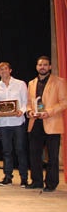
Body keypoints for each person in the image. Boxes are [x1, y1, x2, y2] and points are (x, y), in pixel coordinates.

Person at [26, 56, 67, 192]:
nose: (42, 67)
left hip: (52, 123)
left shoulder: (59, 82)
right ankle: (37, 181)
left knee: (52, 156)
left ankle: (51, 183)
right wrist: (30, 111)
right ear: (36, 67)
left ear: (49, 67)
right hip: (35, 122)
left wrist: (48, 112)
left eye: (45, 65)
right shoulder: (31, 83)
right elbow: (28, 103)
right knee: (35, 154)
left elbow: (64, 102)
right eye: (40, 65)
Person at [0, 62, 29, 187]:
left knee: (20, 150)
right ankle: (8, 176)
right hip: (3, 123)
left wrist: (21, 111)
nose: (3, 71)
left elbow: (25, 101)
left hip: (18, 122)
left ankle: (24, 178)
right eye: (1, 69)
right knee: (6, 151)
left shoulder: (20, 84)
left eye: (5, 69)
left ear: (10, 70)